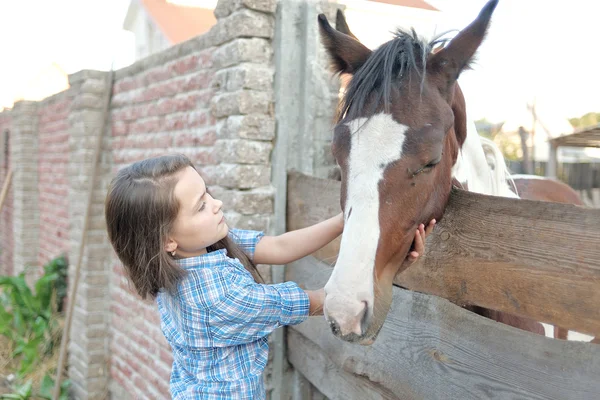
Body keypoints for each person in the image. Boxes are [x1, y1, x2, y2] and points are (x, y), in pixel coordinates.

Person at [105, 153, 435, 399]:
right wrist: (390, 264)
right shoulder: (219, 299)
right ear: (167, 240)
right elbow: (325, 301)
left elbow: (277, 246)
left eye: (208, 193)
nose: (217, 204)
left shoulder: (198, 251)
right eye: (200, 206)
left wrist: (345, 218)